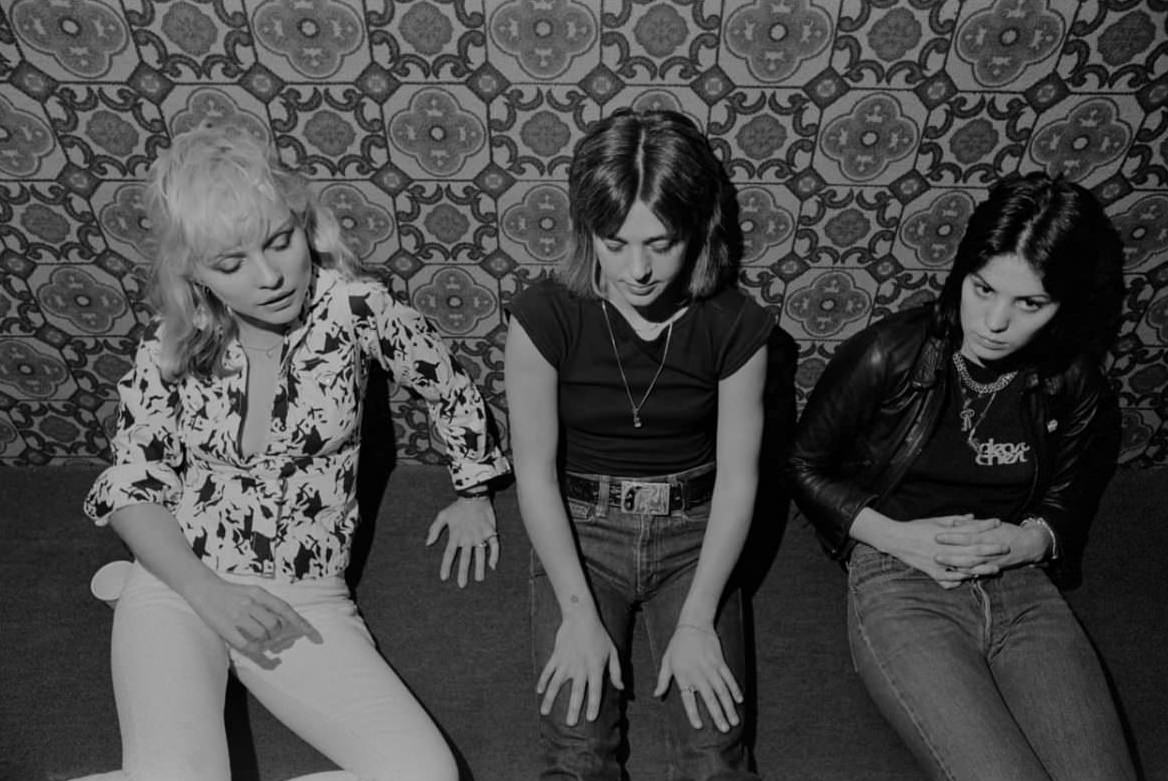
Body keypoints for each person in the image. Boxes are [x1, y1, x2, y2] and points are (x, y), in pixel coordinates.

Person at [78, 125, 510, 781]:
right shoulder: (169, 344)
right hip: (180, 585)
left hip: (302, 600)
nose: (272, 274)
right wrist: (203, 591)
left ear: (300, 222)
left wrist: (473, 489)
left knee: (424, 774)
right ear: (193, 270)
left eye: (280, 241)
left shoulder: (355, 308)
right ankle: (134, 604)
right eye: (232, 264)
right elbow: (132, 484)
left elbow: (444, 383)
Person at [787, 172, 1136, 780]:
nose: (994, 322)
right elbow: (802, 464)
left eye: (1029, 303)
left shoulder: (1073, 381)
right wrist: (900, 538)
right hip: (900, 578)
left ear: (1063, 307)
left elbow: (1067, 499)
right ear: (962, 273)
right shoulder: (887, 353)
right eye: (983, 289)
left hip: (1020, 585)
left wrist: (1028, 541)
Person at [504, 109, 779, 779]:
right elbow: (534, 473)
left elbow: (741, 481)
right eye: (615, 240)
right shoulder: (544, 315)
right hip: (583, 534)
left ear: (699, 229)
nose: (638, 269)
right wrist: (575, 610)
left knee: (716, 758)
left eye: (662, 242)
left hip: (693, 536)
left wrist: (698, 617)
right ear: (587, 228)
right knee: (577, 754)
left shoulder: (736, 324)